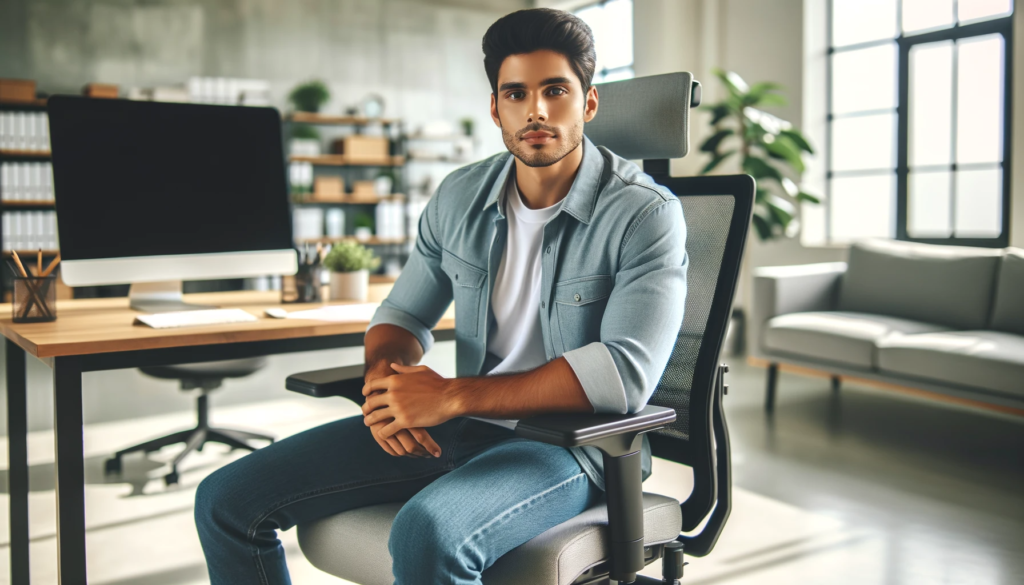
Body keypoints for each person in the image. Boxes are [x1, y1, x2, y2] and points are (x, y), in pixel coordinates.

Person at [195, 7, 687, 584]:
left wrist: (452, 396)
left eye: (556, 90)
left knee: (426, 531)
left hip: (573, 449)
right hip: (459, 428)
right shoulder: (459, 197)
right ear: (495, 107)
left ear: (589, 102)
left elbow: (621, 377)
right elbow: (401, 316)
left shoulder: (645, 214)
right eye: (516, 93)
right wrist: (386, 391)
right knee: (226, 500)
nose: (536, 110)